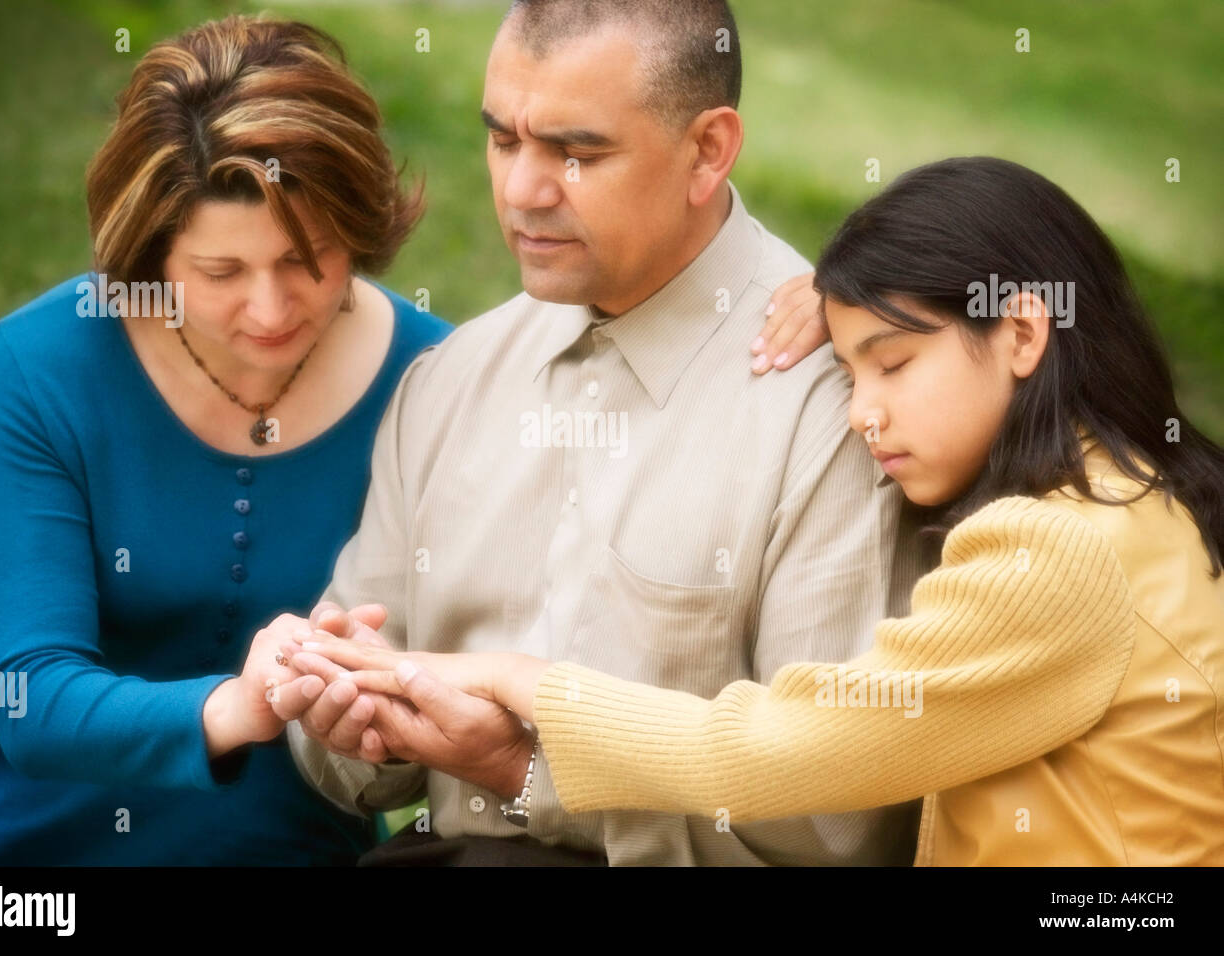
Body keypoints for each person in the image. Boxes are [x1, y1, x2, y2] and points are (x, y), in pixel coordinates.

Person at [295, 156, 1224, 866]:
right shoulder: (1139, 501)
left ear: (1022, 332)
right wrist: (860, 299)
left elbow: (774, 751)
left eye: (892, 365)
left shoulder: (1052, 551)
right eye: (849, 370)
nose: (862, 412)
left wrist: (520, 683)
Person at [270, 0, 929, 866]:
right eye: (504, 140)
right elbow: (356, 761)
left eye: (577, 153)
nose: (521, 192)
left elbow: (834, 825)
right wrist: (347, 715)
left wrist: (520, 769)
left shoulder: (839, 405)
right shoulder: (451, 379)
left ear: (708, 150)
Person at [0, 15, 455, 864]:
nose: (272, 309)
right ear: (152, 253)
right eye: (221, 274)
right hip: (14, 854)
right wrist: (239, 706)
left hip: (288, 848)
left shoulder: (438, 378)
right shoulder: (38, 367)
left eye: (308, 258)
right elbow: (31, 698)